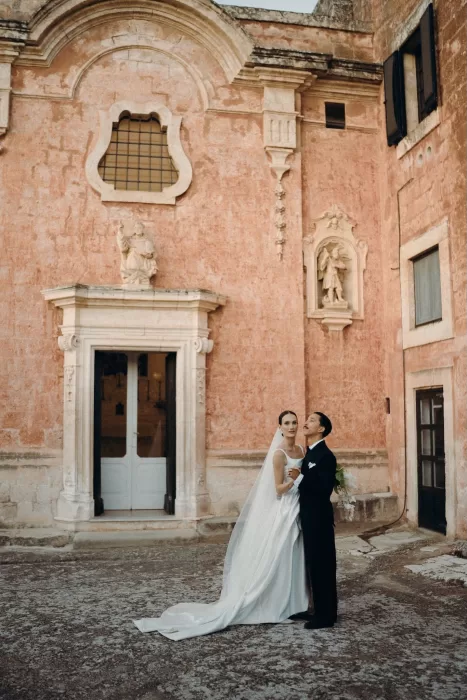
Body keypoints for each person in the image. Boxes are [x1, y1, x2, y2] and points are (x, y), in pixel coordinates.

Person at [133, 411, 308, 640]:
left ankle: (294, 601)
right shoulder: (279, 455)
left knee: (293, 554)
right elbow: (278, 488)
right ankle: (274, 602)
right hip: (283, 508)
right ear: (280, 427)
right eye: (287, 423)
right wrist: (295, 479)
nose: (292, 426)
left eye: (294, 422)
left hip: (297, 507)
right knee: (279, 553)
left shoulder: (302, 450)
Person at [288, 412, 338, 629]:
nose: (305, 423)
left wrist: (298, 478)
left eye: (311, 420)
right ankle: (319, 610)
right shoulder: (310, 453)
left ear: (321, 429)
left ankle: (326, 617)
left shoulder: (326, 456)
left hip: (319, 520)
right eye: (306, 419)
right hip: (309, 518)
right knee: (313, 565)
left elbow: (323, 489)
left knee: (322, 566)